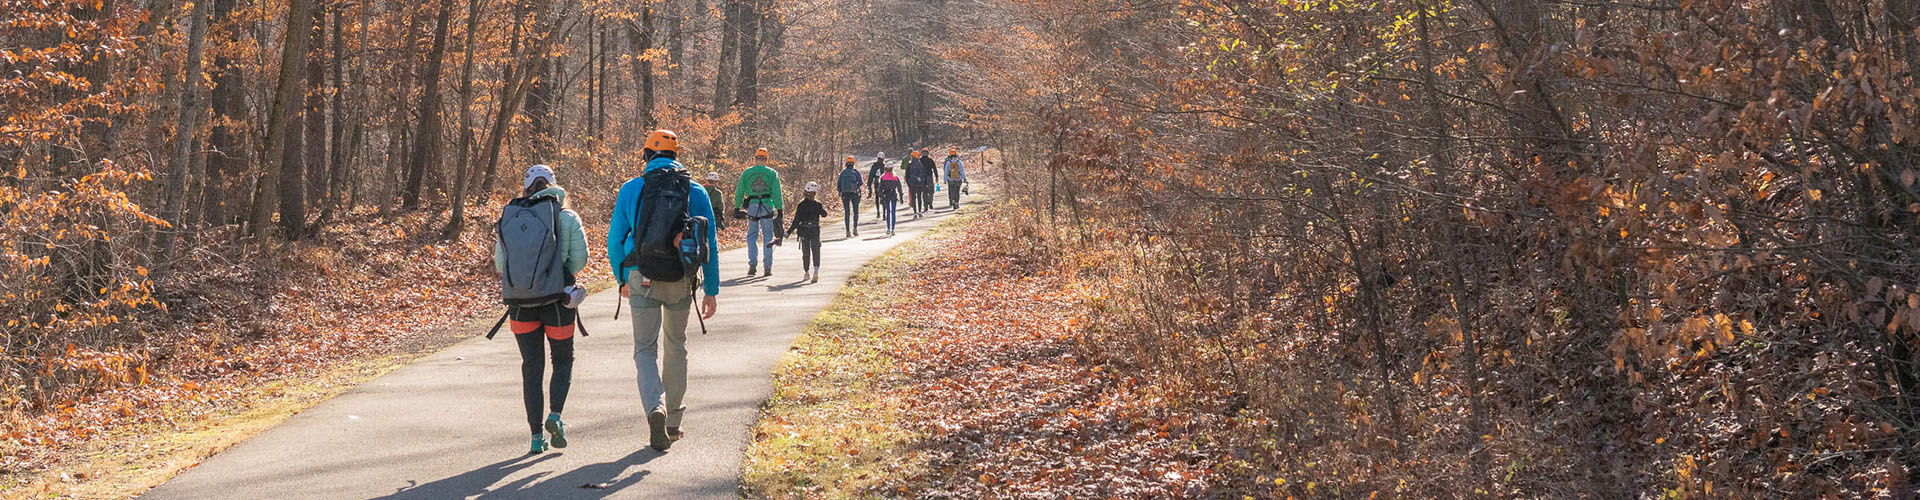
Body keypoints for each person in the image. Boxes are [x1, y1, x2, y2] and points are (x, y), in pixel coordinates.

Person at [608, 130, 722, 451]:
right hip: (681, 280)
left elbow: (615, 240)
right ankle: (672, 420)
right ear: (676, 155)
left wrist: (622, 278)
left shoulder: (631, 189)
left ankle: (653, 407)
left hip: (640, 276)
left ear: (646, 156)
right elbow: (708, 243)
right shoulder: (696, 190)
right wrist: (710, 289)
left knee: (645, 349)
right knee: (676, 345)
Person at [494, 165, 589, 454]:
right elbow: (581, 259)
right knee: (562, 361)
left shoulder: (511, 217)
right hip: (557, 303)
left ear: (526, 188)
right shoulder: (567, 217)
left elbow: (501, 265)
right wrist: (561, 279)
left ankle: (536, 437)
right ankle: (555, 415)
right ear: (553, 185)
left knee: (531, 368)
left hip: (520, 305)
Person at [735, 148, 785, 276]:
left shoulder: (747, 173)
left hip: (753, 206)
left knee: (752, 236)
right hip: (767, 205)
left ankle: (752, 265)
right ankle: (767, 267)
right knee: (768, 236)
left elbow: (740, 190)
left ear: (755, 158)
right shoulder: (772, 173)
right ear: (766, 159)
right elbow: (776, 192)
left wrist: (737, 206)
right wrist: (779, 209)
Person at [788, 182, 829, 283]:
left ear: (806, 192)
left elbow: (796, 221)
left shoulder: (801, 205)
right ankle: (816, 271)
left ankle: (806, 272)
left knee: (805, 252)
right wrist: (822, 208)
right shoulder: (818, 204)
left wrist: (788, 232)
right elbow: (824, 215)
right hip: (815, 230)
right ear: (815, 193)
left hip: (804, 231)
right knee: (816, 251)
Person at [836, 156, 863, 237]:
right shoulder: (856, 172)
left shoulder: (843, 173)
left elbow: (838, 184)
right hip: (855, 193)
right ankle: (855, 228)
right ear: (853, 163)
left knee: (847, 212)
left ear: (846, 163)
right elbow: (861, 183)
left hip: (845, 194)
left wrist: (840, 191)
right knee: (855, 211)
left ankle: (847, 230)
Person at [876, 163, 904, 236]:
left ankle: (888, 228)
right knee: (893, 212)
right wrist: (901, 196)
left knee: (888, 212)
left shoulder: (882, 177)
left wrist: (881, 197)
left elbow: (880, 189)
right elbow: (899, 187)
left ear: (885, 169)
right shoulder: (895, 177)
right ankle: (893, 229)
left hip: (886, 195)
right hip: (893, 194)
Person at [915, 148, 939, 215]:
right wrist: (936, 177)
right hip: (929, 177)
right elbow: (934, 168)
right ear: (928, 153)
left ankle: (925, 206)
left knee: (924, 192)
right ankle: (930, 201)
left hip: (922, 178)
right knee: (931, 191)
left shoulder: (919, 161)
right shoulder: (930, 160)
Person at [900, 151, 922, 219]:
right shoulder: (920, 165)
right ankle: (920, 212)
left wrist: (909, 183)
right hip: (919, 184)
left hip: (912, 185)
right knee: (919, 198)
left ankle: (915, 212)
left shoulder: (909, 165)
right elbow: (923, 174)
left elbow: (907, 176)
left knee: (913, 198)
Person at [868, 153, 887, 221]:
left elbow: (870, 176)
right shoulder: (885, 166)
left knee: (877, 197)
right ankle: (884, 214)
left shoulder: (874, 166)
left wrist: (869, 185)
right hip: (884, 184)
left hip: (876, 183)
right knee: (884, 198)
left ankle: (878, 212)